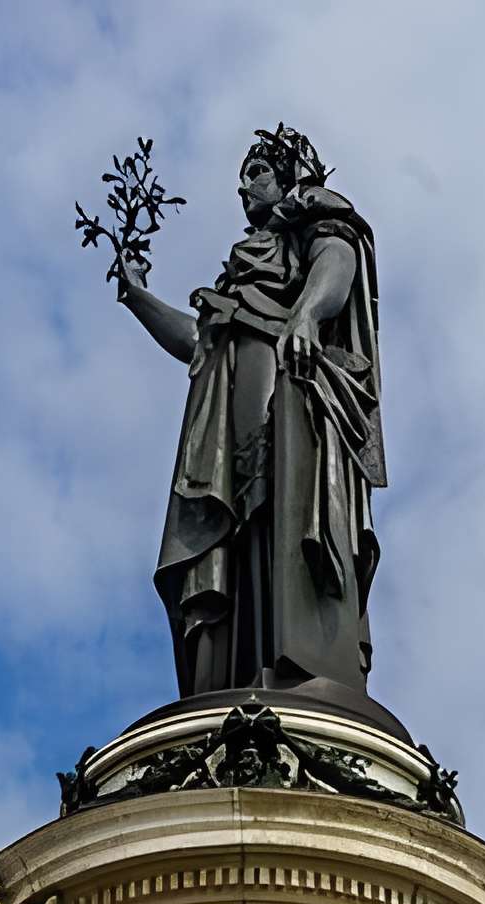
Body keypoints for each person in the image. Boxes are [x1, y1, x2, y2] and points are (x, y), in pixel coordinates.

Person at [115, 123, 385, 701]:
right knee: (235, 539)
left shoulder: (311, 220)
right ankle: (237, 673)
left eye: (256, 173)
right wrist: (139, 298)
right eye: (241, 178)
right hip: (226, 424)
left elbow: (334, 266)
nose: (244, 188)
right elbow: (198, 342)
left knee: (279, 520)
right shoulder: (237, 276)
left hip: (290, 401)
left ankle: (294, 662)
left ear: (289, 174)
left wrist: (307, 315)